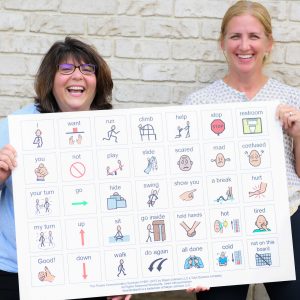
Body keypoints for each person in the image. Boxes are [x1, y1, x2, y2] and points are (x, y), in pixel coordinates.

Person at [184, 1, 300, 299]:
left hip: (286, 220)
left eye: (254, 36)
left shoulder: (292, 98)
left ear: (269, 44)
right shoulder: (198, 103)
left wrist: (298, 135)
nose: (244, 45)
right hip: (220, 227)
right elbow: (187, 178)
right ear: (222, 43)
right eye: (235, 36)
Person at [0, 37, 131, 300]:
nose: (78, 76)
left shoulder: (115, 132)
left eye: (87, 69)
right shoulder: (13, 128)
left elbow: (130, 208)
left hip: (91, 274)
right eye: (66, 69)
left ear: (98, 80)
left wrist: (126, 274)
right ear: (51, 79)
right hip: (18, 274)